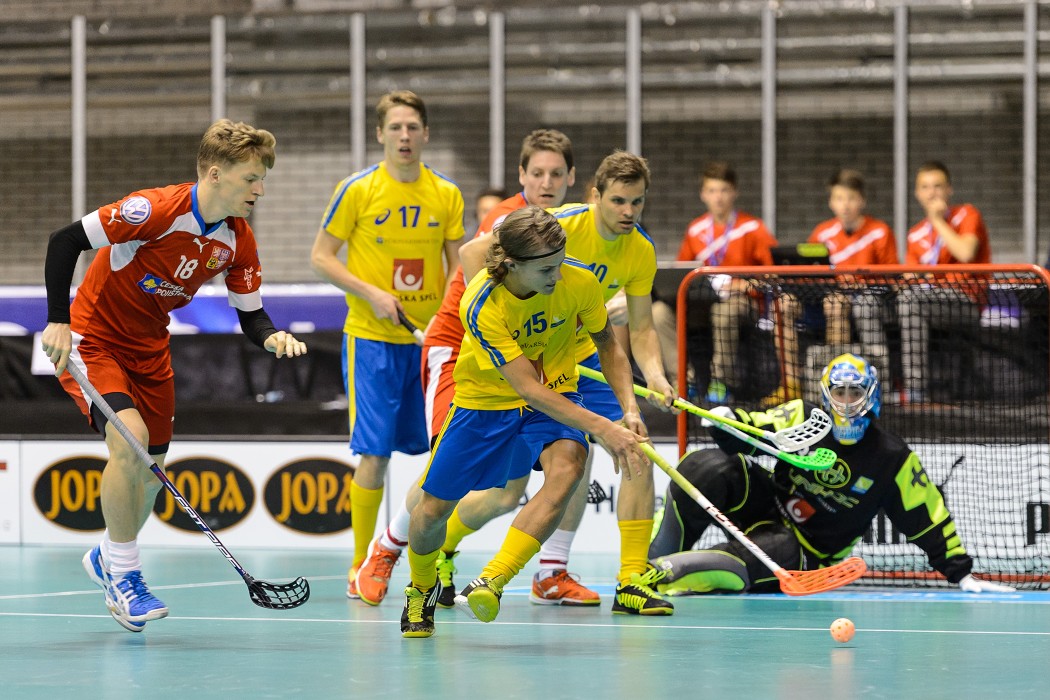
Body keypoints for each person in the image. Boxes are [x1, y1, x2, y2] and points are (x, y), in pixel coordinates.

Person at [40, 119, 309, 632]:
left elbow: (251, 315)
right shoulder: (154, 210)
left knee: (153, 473)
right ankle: (125, 576)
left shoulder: (236, 240)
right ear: (215, 174)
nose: (260, 190)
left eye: (262, 179)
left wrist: (272, 337)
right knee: (131, 442)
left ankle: (106, 554)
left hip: (150, 350)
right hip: (96, 341)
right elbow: (65, 240)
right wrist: (58, 321)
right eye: (252, 178)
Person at [352, 128, 597, 608]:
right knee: (445, 470)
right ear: (522, 175)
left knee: (508, 495)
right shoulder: (510, 220)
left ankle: (462, 552)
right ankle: (387, 548)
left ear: (571, 178)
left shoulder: (568, 223)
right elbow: (469, 258)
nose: (546, 183)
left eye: (556, 174)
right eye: (537, 173)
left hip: (523, 358)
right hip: (460, 351)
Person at [400, 205, 651, 638]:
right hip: (485, 402)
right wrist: (604, 427)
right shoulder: (481, 302)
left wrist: (629, 408)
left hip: (557, 390)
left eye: (560, 262)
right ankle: (421, 588)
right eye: (546, 269)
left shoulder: (578, 280)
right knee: (432, 511)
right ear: (511, 264)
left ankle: (493, 579)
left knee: (569, 467)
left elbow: (608, 345)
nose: (557, 275)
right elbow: (527, 389)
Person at [648, 353, 1014, 595]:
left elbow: (928, 517)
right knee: (705, 465)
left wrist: (960, 573)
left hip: (808, 553)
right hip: (767, 507)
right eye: (840, 391)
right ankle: (644, 566)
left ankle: (662, 575)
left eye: (856, 392)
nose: (847, 401)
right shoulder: (802, 417)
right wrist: (727, 422)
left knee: (772, 549)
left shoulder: (892, 459)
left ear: (872, 396)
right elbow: (754, 432)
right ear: (826, 394)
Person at [309, 90, 465, 598]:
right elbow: (321, 257)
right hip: (371, 339)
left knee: (442, 453)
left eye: (412, 127)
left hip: (430, 344)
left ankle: (433, 561)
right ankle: (361, 563)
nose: (404, 136)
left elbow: (459, 266)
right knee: (374, 454)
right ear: (380, 134)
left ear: (426, 134)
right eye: (395, 127)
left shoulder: (447, 194)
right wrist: (371, 293)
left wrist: (451, 321)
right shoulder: (357, 189)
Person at [767, 169, 899, 405]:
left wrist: (859, 282)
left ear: (862, 201)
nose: (845, 205)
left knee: (834, 303)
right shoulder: (822, 232)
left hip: (857, 303)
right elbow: (809, 273)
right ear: (831, 202)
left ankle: (833, 385)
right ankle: (790, 385)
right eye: (839, 198)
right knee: (784, 304)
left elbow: (893, 279)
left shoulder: (880, 232)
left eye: (851, 198)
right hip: (818, 299)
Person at [654, 161, 776, 404]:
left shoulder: (753, 228)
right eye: (712, 190)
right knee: (658, 312)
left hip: (741, 303)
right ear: (703, 194)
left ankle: (720, 383)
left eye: (723, 190)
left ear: (734, 192)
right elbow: (682, 273)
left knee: (723, 313)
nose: (718, 197)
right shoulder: (695, 230)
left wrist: (746, 285)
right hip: (701, 302)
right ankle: (682, 381)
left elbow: (772, 274)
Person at [897, 161, 990, 403]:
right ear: (917, 193)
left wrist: (937, 221)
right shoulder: (915, 234)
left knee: (911, 301)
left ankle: (916, 391)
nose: (932, 193)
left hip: (966, 301)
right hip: (926, 300)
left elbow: (965, 253)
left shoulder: (967, 214)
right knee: (871, 305)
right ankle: (884, 387)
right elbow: (911, 278)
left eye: (938, 186)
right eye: (925, 187)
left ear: (949, 189)